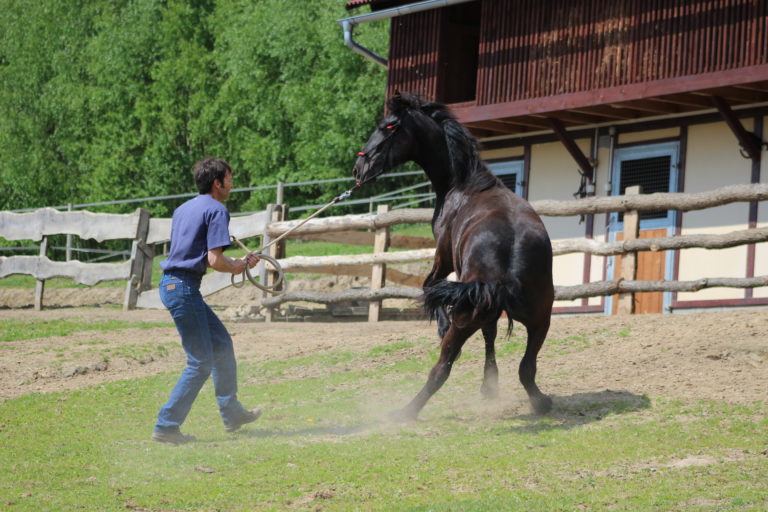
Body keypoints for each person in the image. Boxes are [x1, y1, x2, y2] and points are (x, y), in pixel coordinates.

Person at [152, 157, 261, 444]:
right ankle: (166, 426)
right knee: (200, 362)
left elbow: (198, 254)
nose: (232, 183)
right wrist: (238, 266)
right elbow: (214, 260)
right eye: (230, 177)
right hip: (184, 288)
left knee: (221, 345)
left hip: (175, 285)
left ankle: (232, 412)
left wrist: (238, 261)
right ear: (217, 182)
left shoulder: (184, 208)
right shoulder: (217, 209)